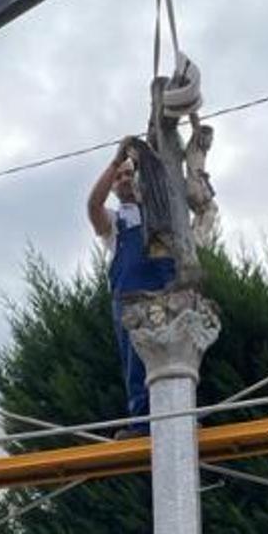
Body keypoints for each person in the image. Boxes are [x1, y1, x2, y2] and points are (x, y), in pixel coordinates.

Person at [86, 139, 176, 437]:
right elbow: (93, 205)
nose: (125, 180)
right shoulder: (115, 222)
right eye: (119, 177)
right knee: (135, 362)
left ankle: (179, 414)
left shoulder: (160, 213)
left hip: (165, 294)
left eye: (129, 174)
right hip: (129, 300)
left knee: (173, 352)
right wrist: (116, 161)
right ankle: (142, 423)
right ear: (113, 185)